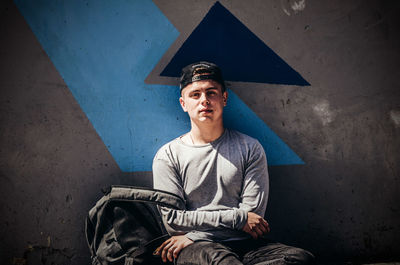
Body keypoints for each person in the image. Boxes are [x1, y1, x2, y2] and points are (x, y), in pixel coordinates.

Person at [152, 61, 314, 265]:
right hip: (199, 249)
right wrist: (238, 219)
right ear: (183, 103)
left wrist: (197, 233)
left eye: (211, 93)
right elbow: (174, 222)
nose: (204, 100)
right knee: (221, 260)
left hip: (239, 244)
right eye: (195, 94)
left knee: (299, 258)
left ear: (224, 98)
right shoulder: (168, 155)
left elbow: (253, 217)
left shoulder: (249, 148)